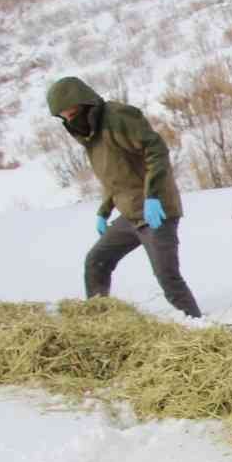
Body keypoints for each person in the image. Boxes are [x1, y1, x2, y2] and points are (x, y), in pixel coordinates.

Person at [46, 76, 202, 318]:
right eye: (64, 118)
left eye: (72, 113)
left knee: (168, 279)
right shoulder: (91, 136)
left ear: (86, 105)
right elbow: (115, 178)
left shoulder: (118, 118)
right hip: (130, 215)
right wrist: (103, 212)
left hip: (157, 213)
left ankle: (198, 326)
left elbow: (156, 150)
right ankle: (100, 320)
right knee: (96, 262)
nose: (70, 121)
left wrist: (153, 196)